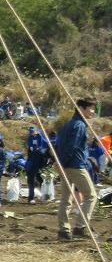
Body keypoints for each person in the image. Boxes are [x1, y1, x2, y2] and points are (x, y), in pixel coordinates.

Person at [56, 96, 99, 240]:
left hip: (65, 165)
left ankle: (63, 231)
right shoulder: (80, 125)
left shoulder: (68, 124)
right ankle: (80, 227)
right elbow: (72, 147)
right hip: (75, 165)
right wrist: (63, 163)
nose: (93, 111)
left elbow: (59, 145)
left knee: (66, 200)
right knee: (91, 196)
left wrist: (59, 162)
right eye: (91, 108)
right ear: (81, 108)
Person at [25, 125, 50, 203]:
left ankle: (43, 195)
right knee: (32, 181)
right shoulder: (30, 139)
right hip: (32, 163)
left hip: (38, 163)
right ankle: (31, 198)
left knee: (37, 180)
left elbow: (47, 147)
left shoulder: (40, 139)